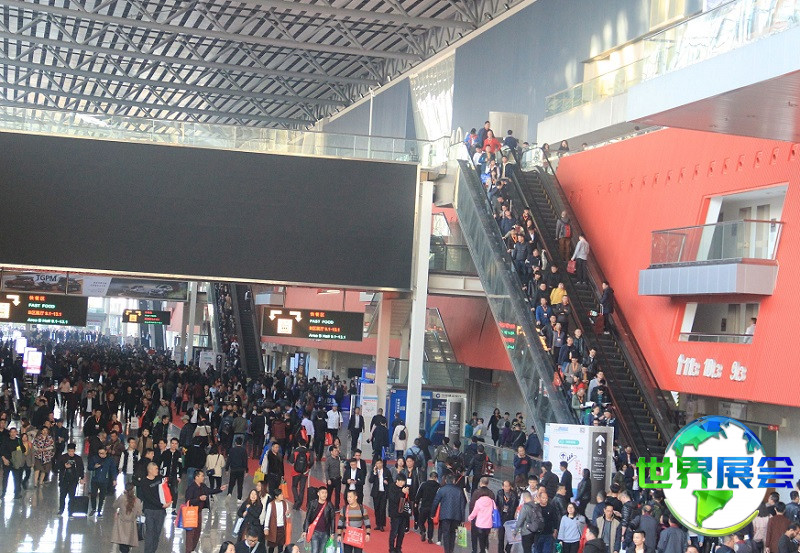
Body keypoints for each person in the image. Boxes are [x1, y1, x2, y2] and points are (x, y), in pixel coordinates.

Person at [184, 468, 227, 553]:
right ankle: (188, 551)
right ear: (196, 477)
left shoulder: (203, 486)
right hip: (191, 513)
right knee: (190, 533)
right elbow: (188, 501)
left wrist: (220, 489)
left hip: (199, 512)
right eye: (202, 476)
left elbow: (209, 491)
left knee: (197, 532)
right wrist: (199, 499)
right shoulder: (191, 488)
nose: (203, 477)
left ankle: (192, 549)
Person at [138, 462, 169, 553]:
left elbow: (165, 489)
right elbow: (148, 497)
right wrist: (161, 505)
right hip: (149, 510)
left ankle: (153, 550)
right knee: (150, 533)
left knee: (157, 533)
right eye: (156, 469)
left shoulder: (159, 479)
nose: (157, 470)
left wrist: (168, 500)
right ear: (150, 470)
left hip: (160, 512)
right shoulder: (144, 482)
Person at [111, 483, 144, 553]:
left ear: (125, 489)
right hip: (131, 524)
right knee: (129, 541)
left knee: (122, 540)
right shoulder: (137, 500)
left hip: (121, 523)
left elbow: (114, 506)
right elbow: (139, 513)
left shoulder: (121, 498)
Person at [301, 487, 335, 553]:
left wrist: (332, 533)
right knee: (315, 550)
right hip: (314, 532)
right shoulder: (312, 503)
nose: (324, 494)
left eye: (326, 493)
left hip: (325, 532)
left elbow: (332, 519)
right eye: (322, 493)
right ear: (318, 493)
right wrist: (305, 530)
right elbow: (308, 518)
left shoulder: (329, 505)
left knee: (322, 551)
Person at [57, 442, 85, 515]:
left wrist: (82, 477)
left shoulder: (78, 459)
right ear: (67, 450)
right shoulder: (63, 457)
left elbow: (81, 468)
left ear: (74, 450)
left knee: (72, 496)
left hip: (73, 480)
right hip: (64, 479)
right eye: (69, 451)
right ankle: (61, 509)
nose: (71, 453)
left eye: (72, 451)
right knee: (62, 496)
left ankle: (70, 511)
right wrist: (64, 466)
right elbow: (57, 466)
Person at [88, 447, 116, 516]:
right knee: (93, 494)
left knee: (102, 496)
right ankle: (93, 508)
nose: (101, 455)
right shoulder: (94, 458)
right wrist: (94, 467)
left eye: (102, 453)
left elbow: (113, 470)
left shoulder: (109, 459)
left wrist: (114, 479)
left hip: (104, 480)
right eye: (99, 453)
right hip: (95, 480)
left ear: (106, 452)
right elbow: (89, 467)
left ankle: (99, 510)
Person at [388, 473, 412, 553]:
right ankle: (391, 548)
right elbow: (394, 499)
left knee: (401, 533)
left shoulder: (405, 488)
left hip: (404, 513)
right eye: (401, 481)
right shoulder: (392, 487)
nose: (402, 483)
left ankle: (398, 548)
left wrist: (407, 492)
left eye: (403, 481)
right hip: (395, 514)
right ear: (397, 481)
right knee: (394, 532)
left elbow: (408, 499)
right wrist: (401, 492)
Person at [262, 486, 290, 553]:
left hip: (282, 528)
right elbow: (267, 517)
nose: (282, 496)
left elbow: (287, 516)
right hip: (273, 528)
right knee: (271, 546)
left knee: (281, 546)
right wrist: (266, 528)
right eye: (280, 495)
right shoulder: (271, 504)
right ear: (276, 496)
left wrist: (288, 514)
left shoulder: (285, 504)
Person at [1, 426, 26, 498]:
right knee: (5, 478)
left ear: (16, 433)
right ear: (9, 433)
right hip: (7, 461)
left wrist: (20, 446)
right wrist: (4, 459)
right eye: (11, 432)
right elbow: (1, 451)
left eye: (14, 432)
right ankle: (4, 492)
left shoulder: (18, 440)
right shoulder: (5, 440)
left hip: (16, 462)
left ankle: (17, 493)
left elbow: (23, 450)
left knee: (17, 478)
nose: (13, 434)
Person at [417, 471, 441, 543]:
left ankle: (423, 531)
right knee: (430, 523)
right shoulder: (439, 486)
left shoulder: (423, 484)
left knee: (420, 521)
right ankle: (430, 538)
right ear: (436, 478)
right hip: (433, 507)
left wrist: (416, 502)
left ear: (429, 477)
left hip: (424, 506)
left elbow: (418, 494)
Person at [496, 480, 519, 553]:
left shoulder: (514, 494)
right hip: (501, 516)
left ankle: (508, 549)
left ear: (510, 486)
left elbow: (516, 505)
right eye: (505, 486)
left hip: (510, 517)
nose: (506, 488)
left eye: (508, 486)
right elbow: (497, 503)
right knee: (501, 536)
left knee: (511, 536)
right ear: (502, 486)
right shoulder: (499, 493)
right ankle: (500, 550)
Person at [370, 458, 391, 531]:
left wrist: (387, 483)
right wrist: (374, 473)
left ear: (382, 463)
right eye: (377, 463)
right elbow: (370, 480)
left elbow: (391, 481)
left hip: (383, 492)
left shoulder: (387, 471)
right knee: (376, 509)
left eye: (380, 463)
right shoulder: (374, 471)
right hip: (376, 493)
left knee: (382, 509)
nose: (379, 465)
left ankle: (382, 525)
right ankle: (378, 524)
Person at [291, 437, 313, 510]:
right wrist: (308, 467)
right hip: (305, 473)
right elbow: (312, 461)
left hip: (295, 472)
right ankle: (299, 504)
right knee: (302, 489)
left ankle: (296, 499)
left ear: (299, 443)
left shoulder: (295, 451)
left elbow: (291, 460)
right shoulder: (309, 451)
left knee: (294, 486)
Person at [227, 436, 248, 501]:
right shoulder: (244, 450)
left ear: (235, 442)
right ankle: (239, 498)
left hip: (233, 469)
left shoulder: (232, 450)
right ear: (241, 443)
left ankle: (229, 494)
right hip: (241, 470)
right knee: (240, 485)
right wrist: (246, 470)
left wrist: (226, 469)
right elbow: (245, 461)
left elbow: (229, 460)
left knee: (231, 483)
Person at [324, 445, 343, 510]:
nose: (336, 452)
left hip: (338, 479)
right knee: (329, 494)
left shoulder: (339, 458)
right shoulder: (328, 460)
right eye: (335, 451)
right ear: (331, 452)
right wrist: (328, 479)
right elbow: (326, 470)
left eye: (337, 451)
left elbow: (344, 458)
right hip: (331, 479)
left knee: (337, 494)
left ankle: (337, 507)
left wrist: (340, 452)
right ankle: (328, 506)